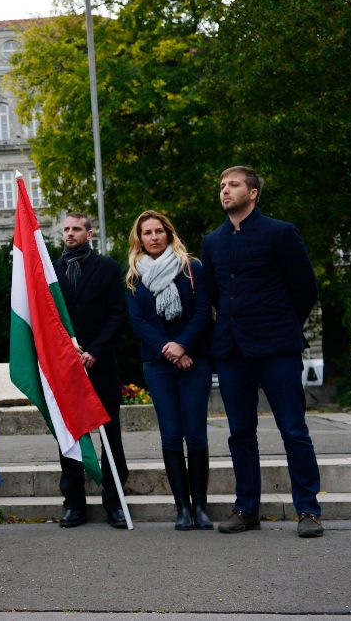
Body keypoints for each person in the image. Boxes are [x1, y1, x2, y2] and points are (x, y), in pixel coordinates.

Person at [202, 166, 323, 538]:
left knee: (293, 429)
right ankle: (246, 508)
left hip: (276, 347)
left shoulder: (280, 233)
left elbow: (305, 290)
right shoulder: (212, 242)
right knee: (240, 432)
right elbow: (213, 294)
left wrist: (281, 324)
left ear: (252, 193)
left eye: (234, 185)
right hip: (232, 349)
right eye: (222, 186)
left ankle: (308, 510)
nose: (225, 191)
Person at [126, 210, 213, 530]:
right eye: (146, 232)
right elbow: (138, 321)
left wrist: (184, 346)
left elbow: (204, 310)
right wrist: (171, 351)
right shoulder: (134, 275)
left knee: (197, 435)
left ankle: (201, 506)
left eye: (158, 231)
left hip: (195, 361)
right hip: (158, 365)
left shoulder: (192, 268)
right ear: (140, 238)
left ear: (168, 233)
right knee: (172, 435)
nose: (153, 237)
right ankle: (182, 509)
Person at [53, 213, 129, 528]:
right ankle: (74, 504)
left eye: (76, 229)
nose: (70, 234)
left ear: (89, 232)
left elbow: (118, 314)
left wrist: (96, 350)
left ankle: (115, 503)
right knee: (68, 436)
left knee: (110, 436)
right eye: (66, 229)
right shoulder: (51, 272)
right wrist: (66, 353)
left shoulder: (109, 268)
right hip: (65, 366)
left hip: (101, 364)